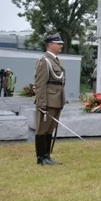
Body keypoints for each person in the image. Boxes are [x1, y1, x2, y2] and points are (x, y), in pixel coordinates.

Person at [33, 34, 66, 166]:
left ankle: (47, 156)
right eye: (58, 44)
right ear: (50, 45)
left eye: (61, 44)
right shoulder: (44, 61)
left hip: (56, 100)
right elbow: (40, 84)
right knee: (42, 129)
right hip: (47, 101)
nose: (61, 46)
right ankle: (41, 157)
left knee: (50, 129)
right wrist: (41, 103)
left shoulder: (55, 60)